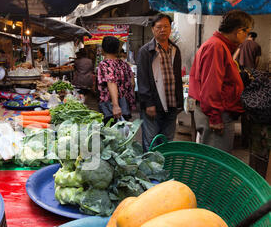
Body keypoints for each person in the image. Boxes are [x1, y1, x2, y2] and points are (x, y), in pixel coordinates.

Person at [189, 10, 254, 153]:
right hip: (217, 115)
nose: (247, 36)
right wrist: (215, 117)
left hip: (219, 112)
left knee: (214, 161)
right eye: (247, 31)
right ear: (239, 31)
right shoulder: (216, 47)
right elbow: (211, 86)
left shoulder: (219, 46)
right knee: (214, 162)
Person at [137, 14, 184, 152]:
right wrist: (148, 103)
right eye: (159, 27)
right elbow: (142, 79)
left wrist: (179, 102)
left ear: (170, 29)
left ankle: (164, 170)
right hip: (153, 106)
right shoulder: (146, 51)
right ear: (153, 29)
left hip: (171, 104)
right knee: (151, 142)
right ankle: (150, 172)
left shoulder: (175, 50)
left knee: (168, 141)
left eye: (166, 26)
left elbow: (177, 78)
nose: (163, 30)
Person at [97, 36, 135, 125]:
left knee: (112, 135)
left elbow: (111, 83)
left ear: (103, 49)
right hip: (125, 106)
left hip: (111, 108)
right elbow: (132, 84)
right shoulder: (125, 64)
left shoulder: (104, 64)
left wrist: (116, 106)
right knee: (124, 134)